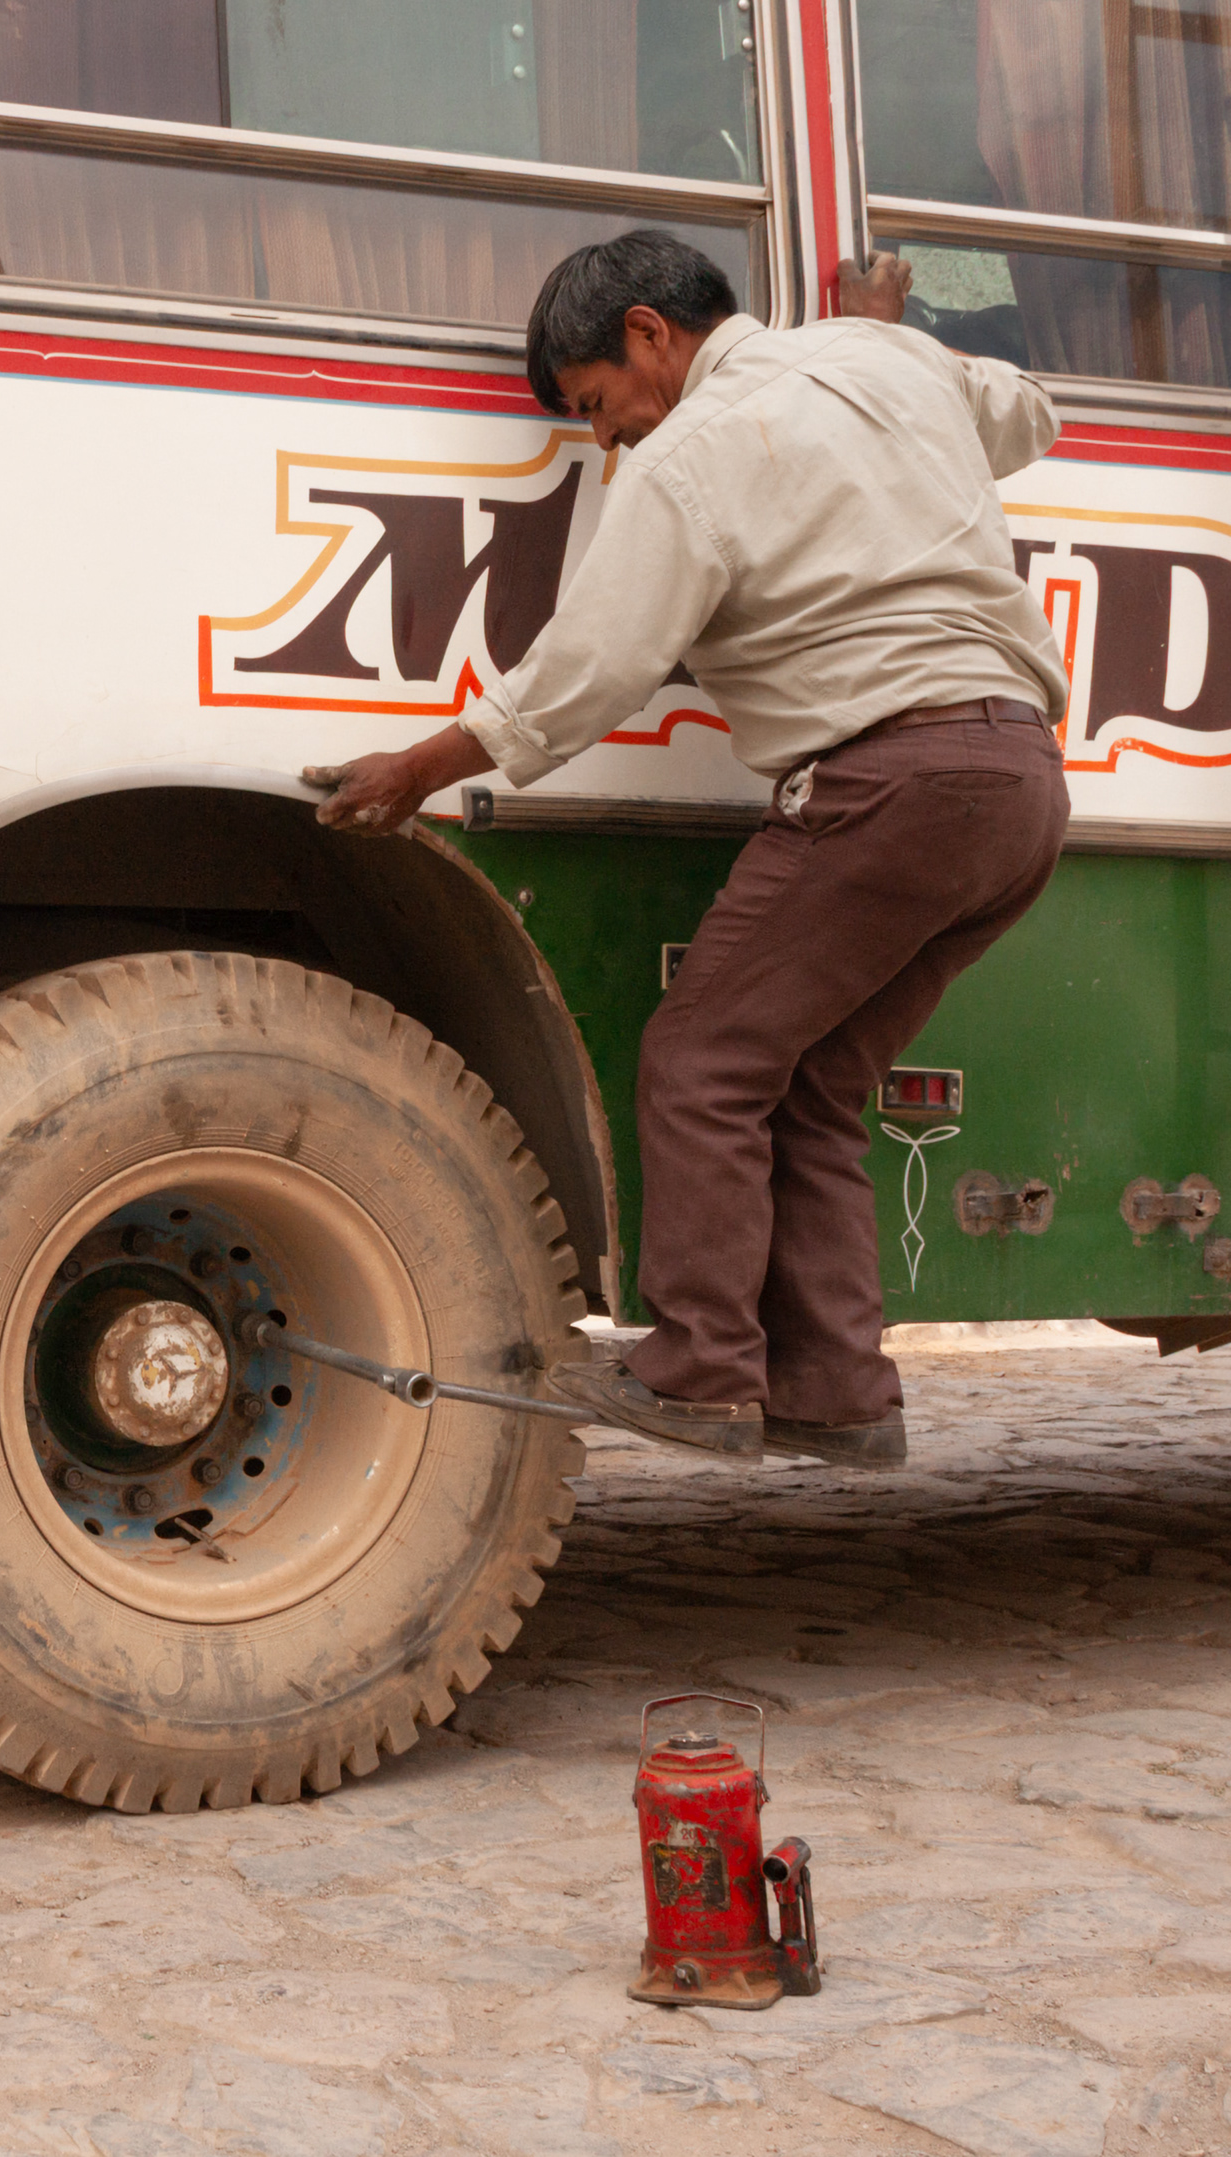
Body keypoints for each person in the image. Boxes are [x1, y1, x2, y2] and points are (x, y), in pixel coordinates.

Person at [304, 230, 1069, 1460]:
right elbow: (1028, 414)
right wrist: (888, 330)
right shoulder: (884, 360)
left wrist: (416, 770)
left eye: (598, 405)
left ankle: (702, 1369)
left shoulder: (692, 456)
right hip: (1021, 787)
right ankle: (835, 1394)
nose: (606, 438)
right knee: (811, 1082)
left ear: (651, 333)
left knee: (702, 1059)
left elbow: (588, 670)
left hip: (890, 782)